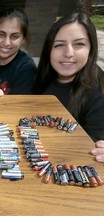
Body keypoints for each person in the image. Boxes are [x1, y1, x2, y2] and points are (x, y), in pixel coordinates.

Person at [32, 13, 104, 162]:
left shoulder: (99, 88)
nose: (68, 53)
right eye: (59, 45)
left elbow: (94, 149)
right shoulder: (44, 76)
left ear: (91, 49)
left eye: (79, 44)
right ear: (48, 50)